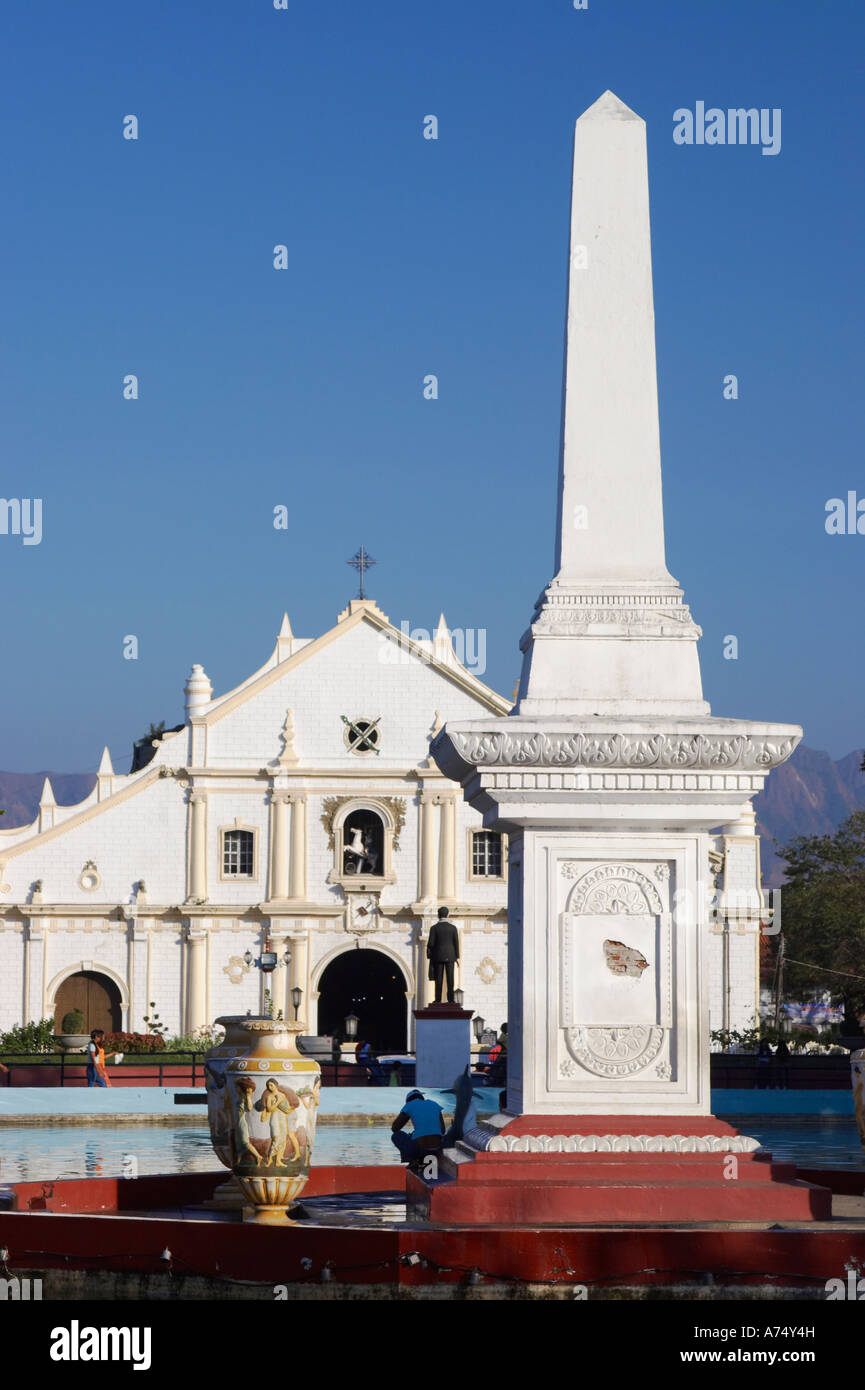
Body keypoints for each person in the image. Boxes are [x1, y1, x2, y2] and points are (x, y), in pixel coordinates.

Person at [390, 1089, 445, 1165]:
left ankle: (412, 1160)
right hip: (437, 1148)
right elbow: (442, 1130)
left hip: (421, 1150)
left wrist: (407, 1114)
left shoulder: (409, 1105)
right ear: (421, 1097)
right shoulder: (434, 1104)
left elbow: (395, 1128)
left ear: (408, 1100)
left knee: (396, 1135)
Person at [427, 906, 460, 1003]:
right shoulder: (453, 928)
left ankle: (438, 999)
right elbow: (456, 943)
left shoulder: (434, 928)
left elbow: (431, 943)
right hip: (451, 956)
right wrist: (457, 957)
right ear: (448, 915)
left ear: (438, 915)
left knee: (439, 979)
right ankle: (450, 999)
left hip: (438, 956)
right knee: (450, 978)